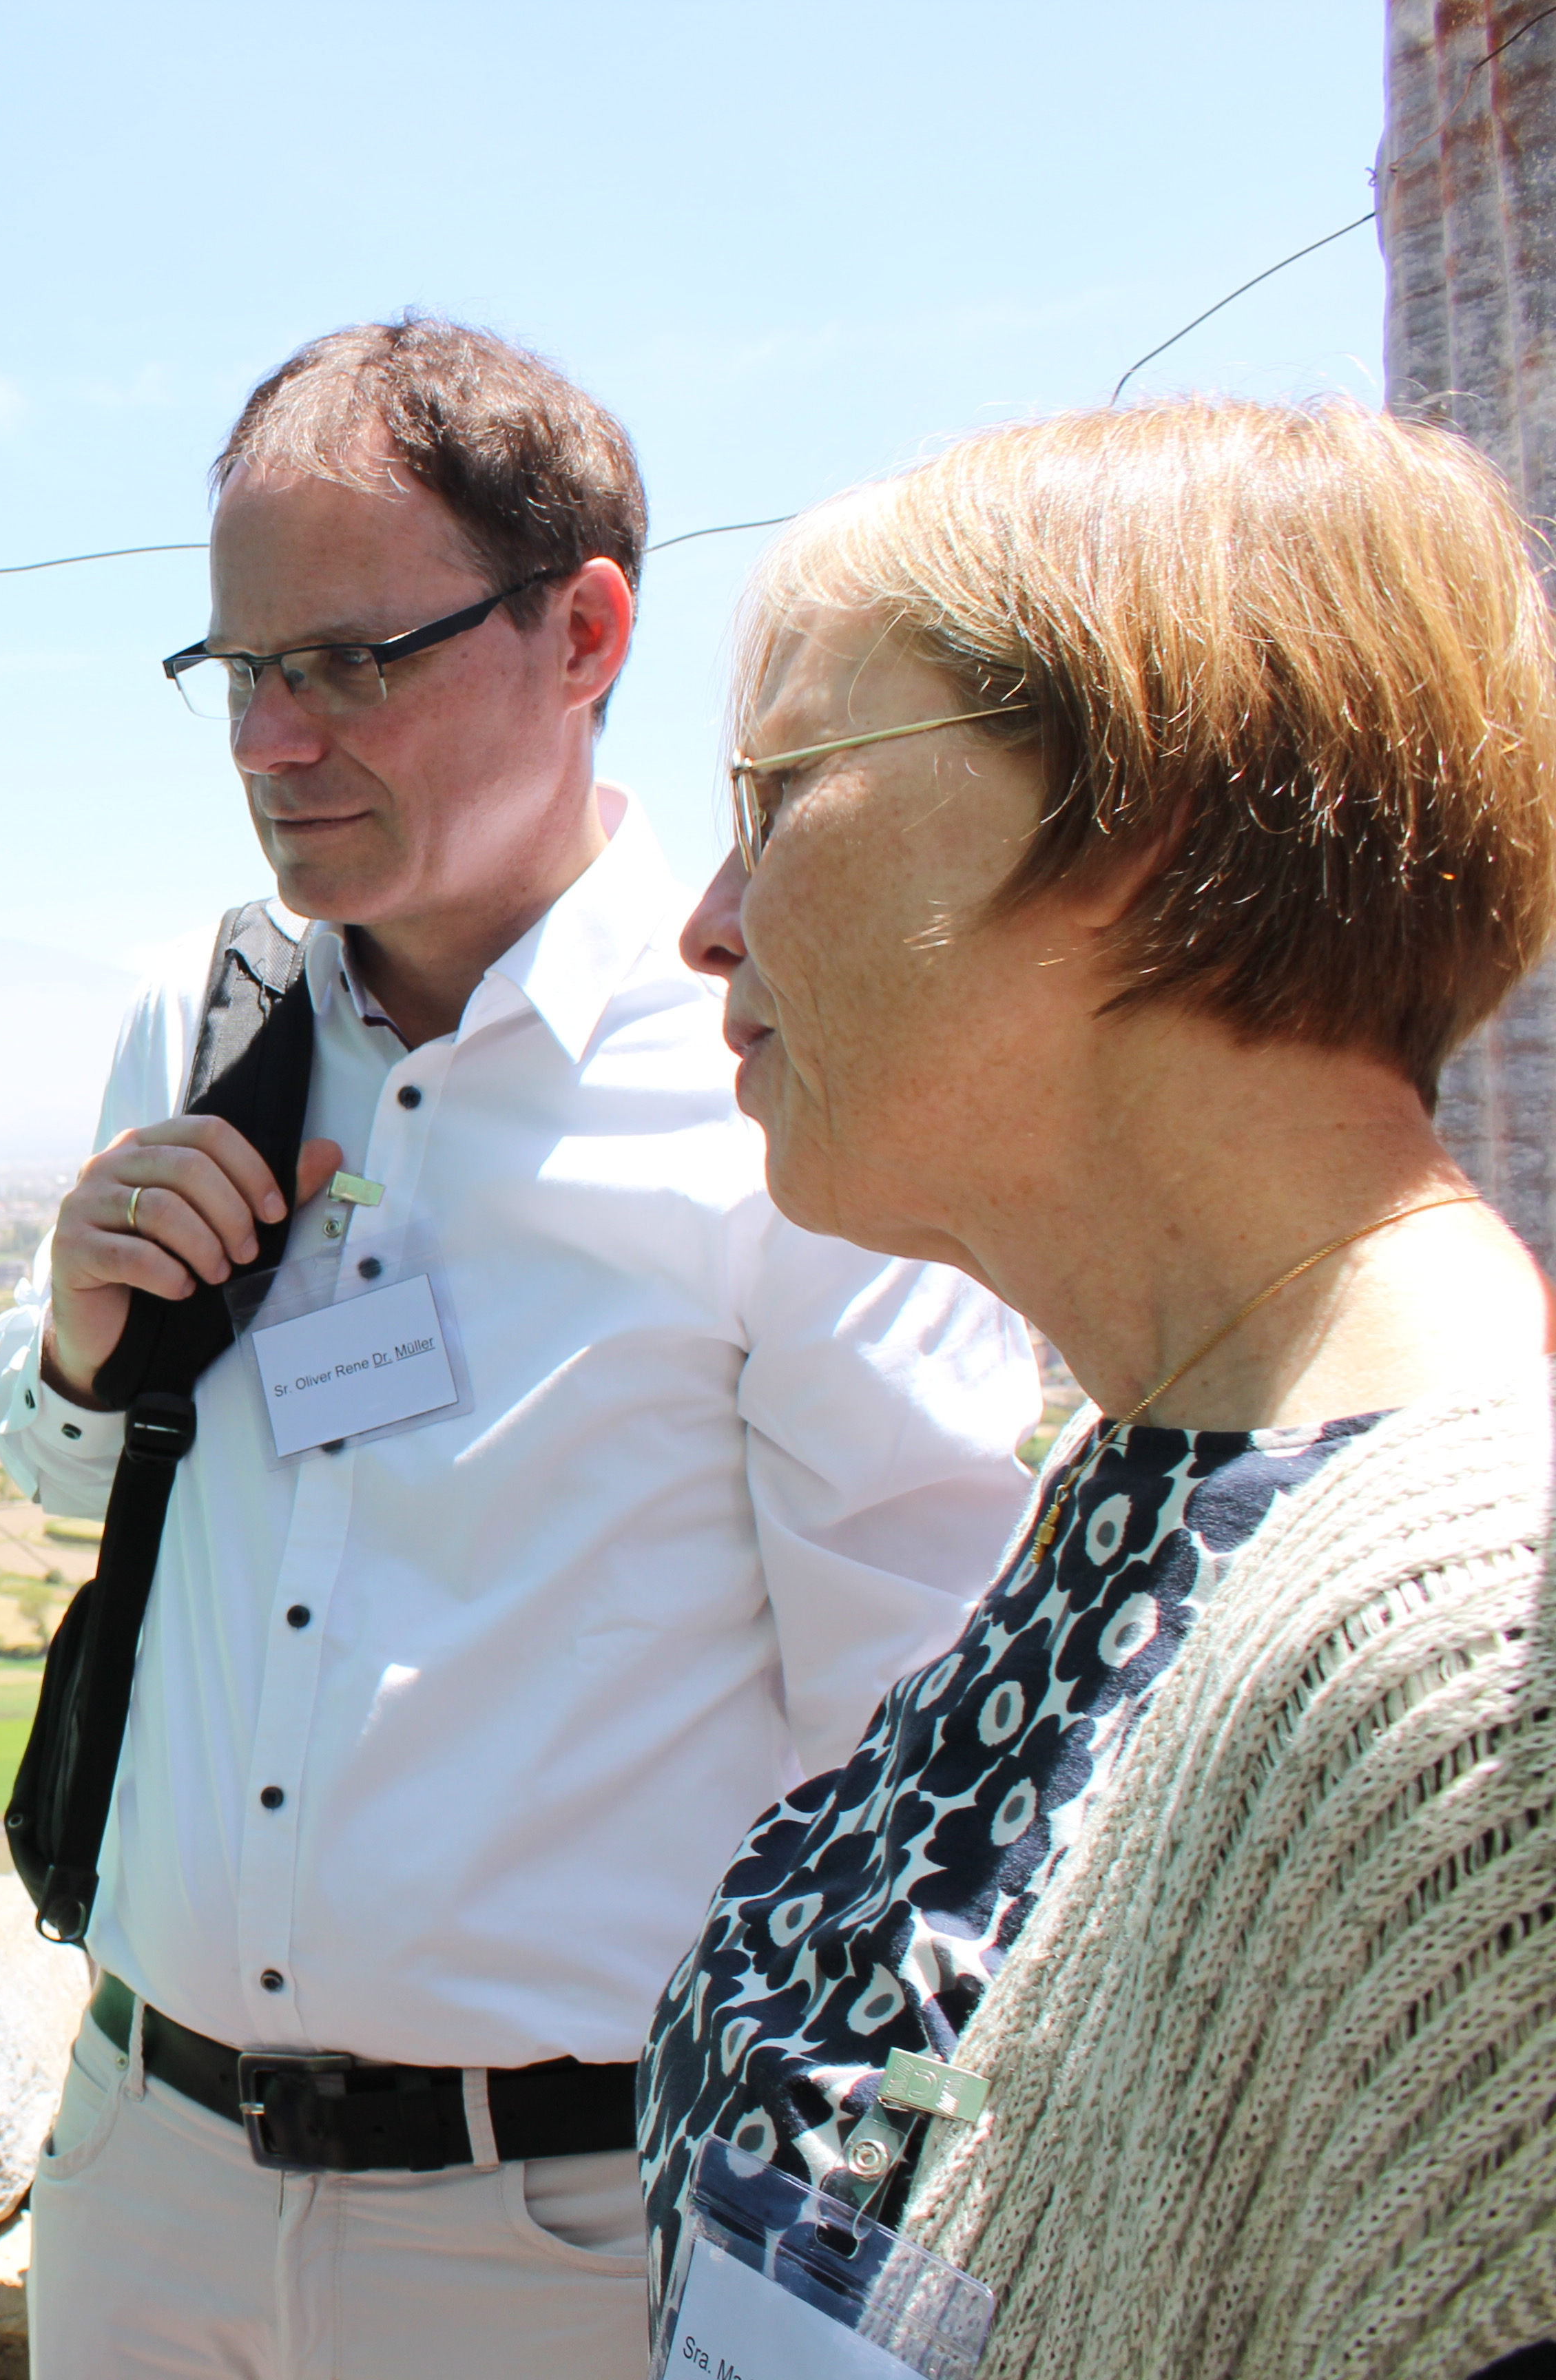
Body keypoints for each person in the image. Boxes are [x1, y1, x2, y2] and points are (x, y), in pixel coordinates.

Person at [0, 317, 1043, 2378]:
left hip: (556, 2238)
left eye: (353, 662)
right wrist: (84, 1348)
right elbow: (74, 1484)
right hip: (143, 2171)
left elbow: (908, 1734)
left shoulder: (785, 1072)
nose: (269, 744)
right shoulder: (204, 1027)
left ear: (586, 634)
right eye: (243, 670)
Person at [645, 399, 1556, 2379]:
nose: (708, 919)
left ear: (1142, 809)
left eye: (784, 789)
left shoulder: (1496, 1663)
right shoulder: (1174, 1461)